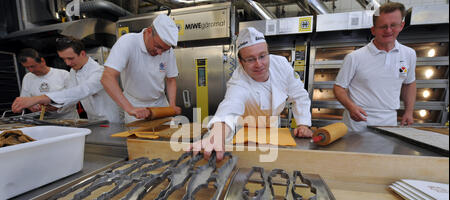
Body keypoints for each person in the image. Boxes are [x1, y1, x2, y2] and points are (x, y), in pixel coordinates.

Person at [193, 27, 313, 161]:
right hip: (244, 133)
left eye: (262, 56)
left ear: (268, 53)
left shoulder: (281, 65)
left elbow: (299, 95)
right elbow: (230, 106)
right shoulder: (239, 80)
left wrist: (303, 124)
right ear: (240, 62)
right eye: (250, 59)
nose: (259, 64)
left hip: (273, 130)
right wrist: (216, 136)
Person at [333, 2, 417, 132]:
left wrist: (409, 111)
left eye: (393, 25)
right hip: (357, 124)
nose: (388, 30)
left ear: (401, 25)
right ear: (373, 30)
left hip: (389, 122)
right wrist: (351, 107)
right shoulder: (355, 57)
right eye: (383, 26)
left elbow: (409, 84)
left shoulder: (409, 54)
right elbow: (339, 88)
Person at [12, 37, 122, 123]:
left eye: (70, 58)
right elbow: (71, 97)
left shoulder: (100, 72)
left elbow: (81, 91)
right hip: (94, 121)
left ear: (82, 53)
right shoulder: (74, 71)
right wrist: (53, 106)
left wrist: (39, 98)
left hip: (113, 121)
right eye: (64, 59)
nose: (67, 63)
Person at [101, 14, 181, 124]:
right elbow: (107, 77)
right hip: (136, 106)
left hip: (160, 105)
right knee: (138, 140)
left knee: (168, 137)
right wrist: (129, 108)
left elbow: (171, 79)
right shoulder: (127, 42)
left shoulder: (167, 51)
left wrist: (171, 106)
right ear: (148, 32)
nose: (159, 53)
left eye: (164, 50)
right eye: (158, 46)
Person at [16, 48, 79, 119]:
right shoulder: (28, 77)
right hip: (43, 121)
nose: (30, 70)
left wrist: (57, 107)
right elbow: (25, 98)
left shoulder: (64, 74)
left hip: (67, 119)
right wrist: (31, 106)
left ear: (42, 61)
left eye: (32, 66)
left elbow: (74, 98)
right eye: (27, 67)